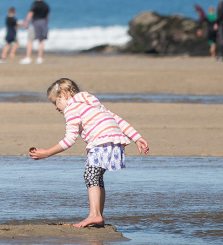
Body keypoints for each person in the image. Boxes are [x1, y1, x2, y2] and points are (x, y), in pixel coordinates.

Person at [29, 78, 149, 228]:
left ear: (65, 94)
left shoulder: (72, 108)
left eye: (55, 102)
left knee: (90, 175)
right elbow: (116, 119)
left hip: (101, 142)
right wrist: (136, 137)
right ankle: (98, 214)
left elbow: (70, 139)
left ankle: (95, 215)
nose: (56, 107)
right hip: (115, 141)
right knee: (97, 177)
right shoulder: (92, 103)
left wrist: (46, 153)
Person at [20, 0, 50, 64]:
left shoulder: (35, 4)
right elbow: (47, 17)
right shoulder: (46, 5)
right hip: (43, 23)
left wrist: (26, 22)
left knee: (30, 40)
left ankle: (28, 57)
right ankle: (39, 58)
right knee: (41, 41)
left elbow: (30, 13)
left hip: (35, 22)